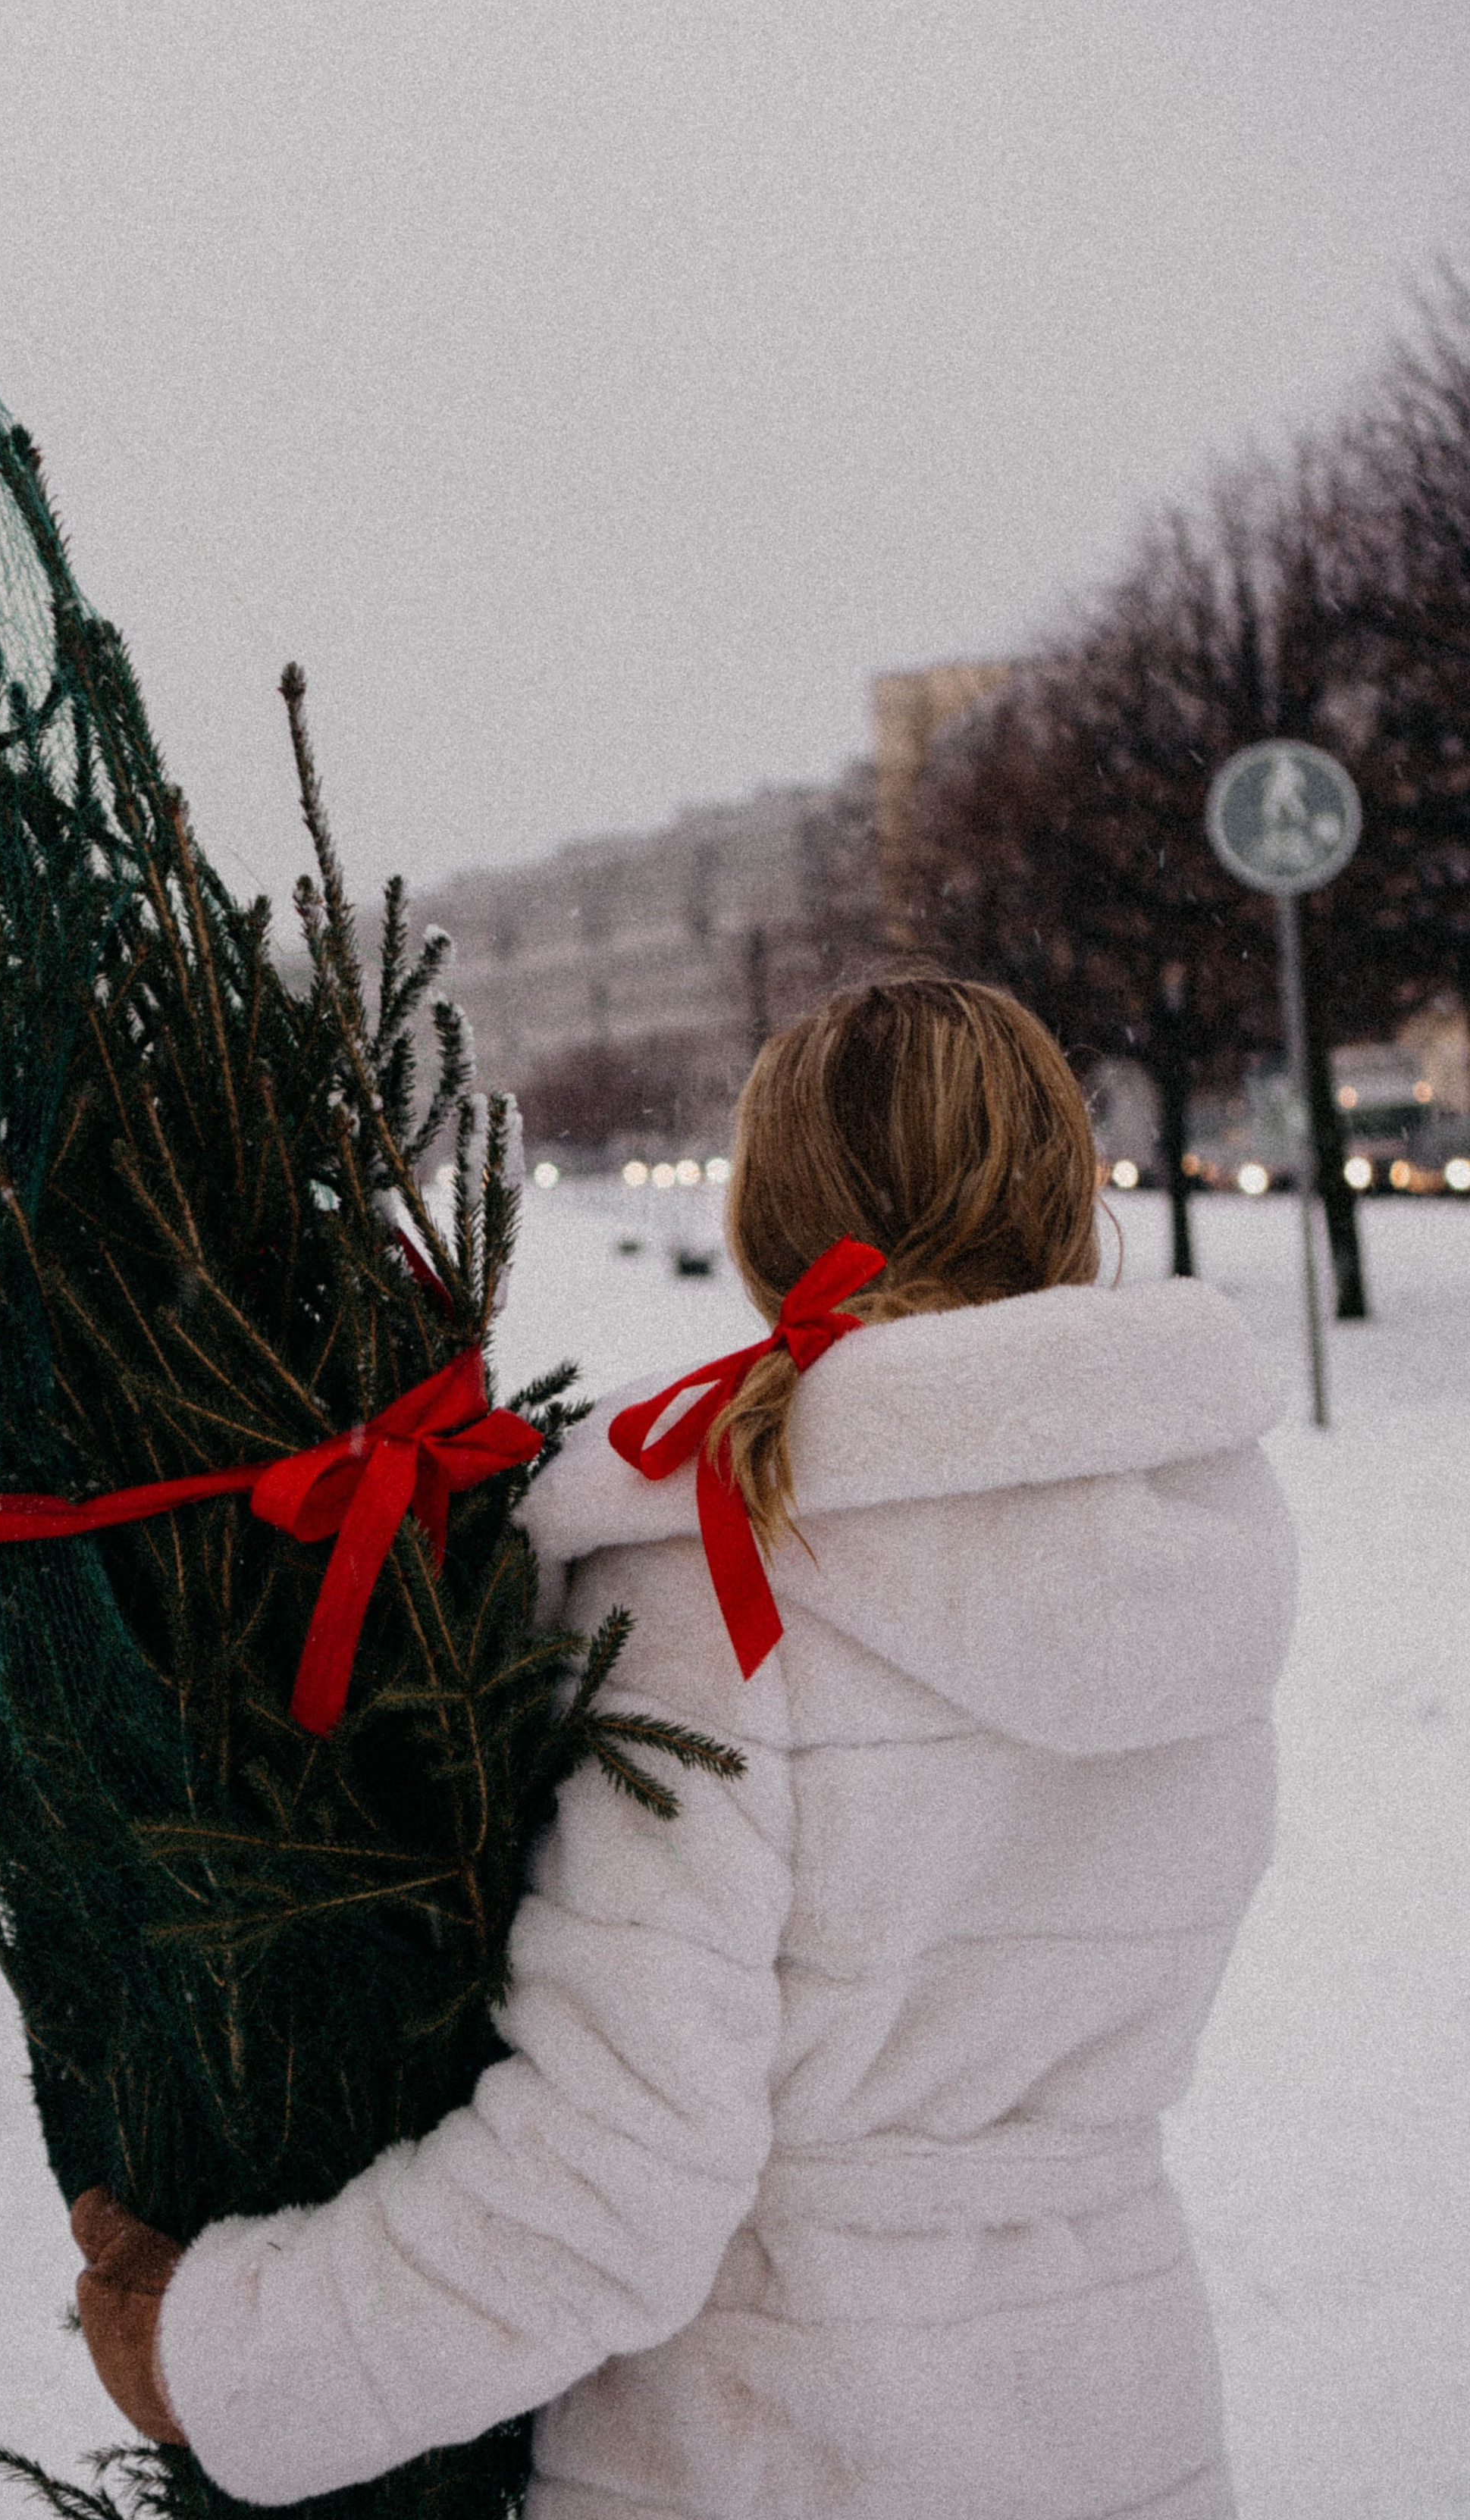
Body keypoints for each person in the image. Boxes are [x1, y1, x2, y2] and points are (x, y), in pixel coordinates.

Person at [73, 975, 1296, 2518]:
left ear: (769, 1212)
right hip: (1107, 2408)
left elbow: (614, 2180)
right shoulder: (1190, 1550)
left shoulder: (727, 1576)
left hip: (782, 2440)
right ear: (1063, 1190)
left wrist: (234, 2356)